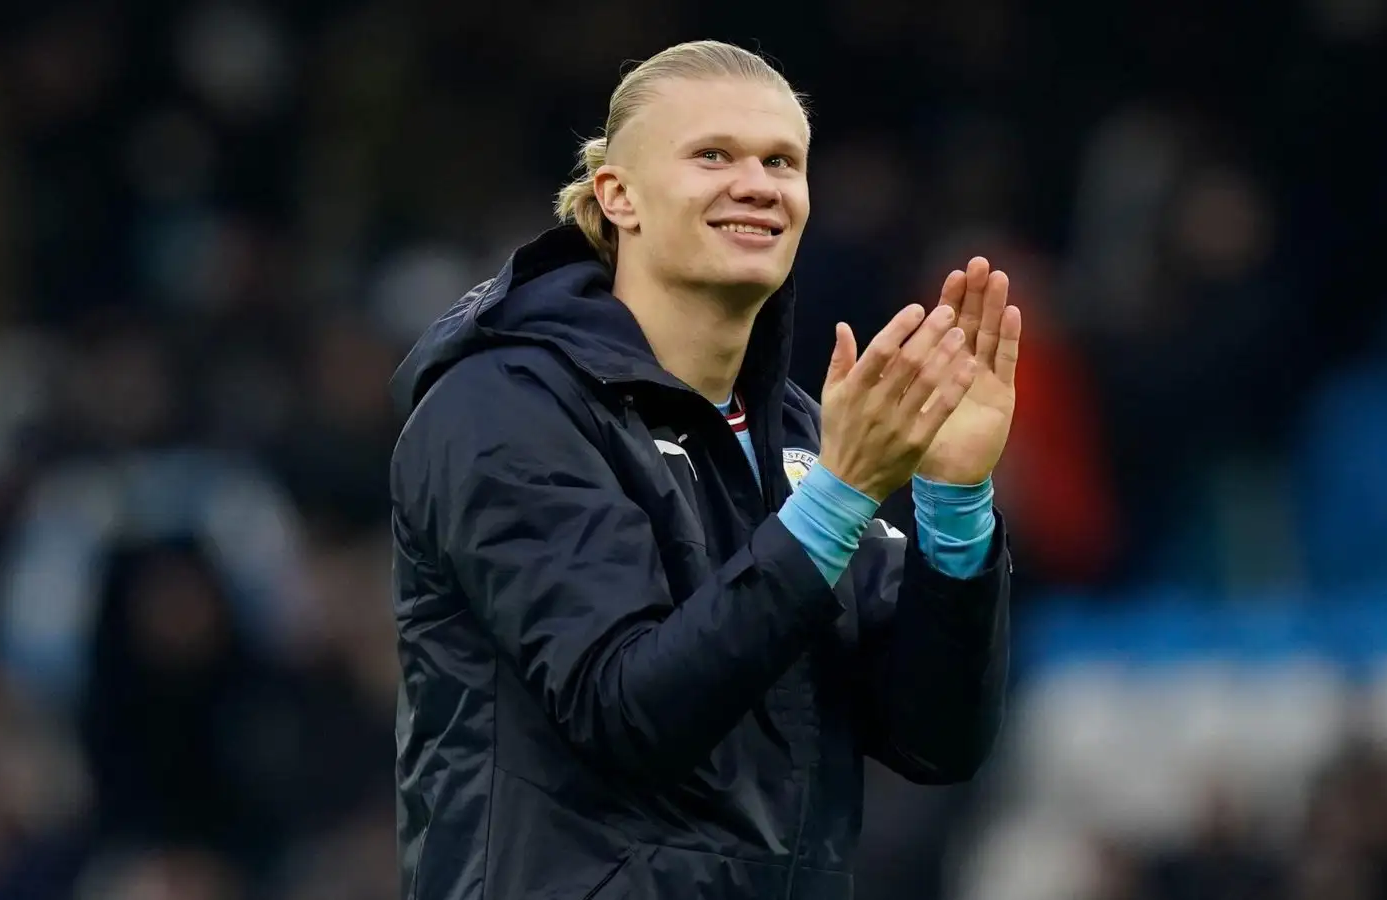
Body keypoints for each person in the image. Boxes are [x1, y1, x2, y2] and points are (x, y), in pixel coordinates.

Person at [387, 40, 1021, 900]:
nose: (758, 182)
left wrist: (953, 497)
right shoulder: (504, 408)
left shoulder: (798, 433)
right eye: (713, 155)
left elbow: (937, 741)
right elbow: (627, 709)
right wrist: (840, 495)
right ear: (618, 196)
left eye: (782, 161)